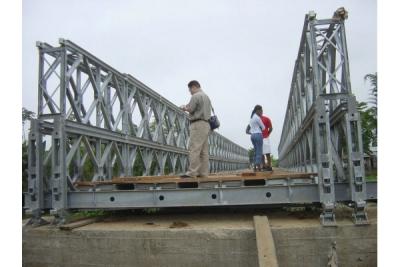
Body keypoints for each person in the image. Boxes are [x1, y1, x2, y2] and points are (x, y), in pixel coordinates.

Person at [179, 80, 212, 178]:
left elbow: (191, 109)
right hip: (206, 124)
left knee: (194, 148)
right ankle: (203, 173)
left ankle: (192, 172)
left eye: (190, 90)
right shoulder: (206, 97)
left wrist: (184, 107)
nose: (190, 92)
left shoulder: (196, 96)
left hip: (197, 124)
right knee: (204, 151)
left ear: (193, 87)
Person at [249, 105, 265, 171]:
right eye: (261, 111)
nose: (262, 112)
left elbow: (250, 128)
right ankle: (258, 167)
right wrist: (260, 128)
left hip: (252, 135)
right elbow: (263, 127)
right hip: (258, 135)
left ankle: (255, 167)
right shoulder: (257, 118)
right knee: (259, 151)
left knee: (255, 151)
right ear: (257, 110)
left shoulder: (252, 118)